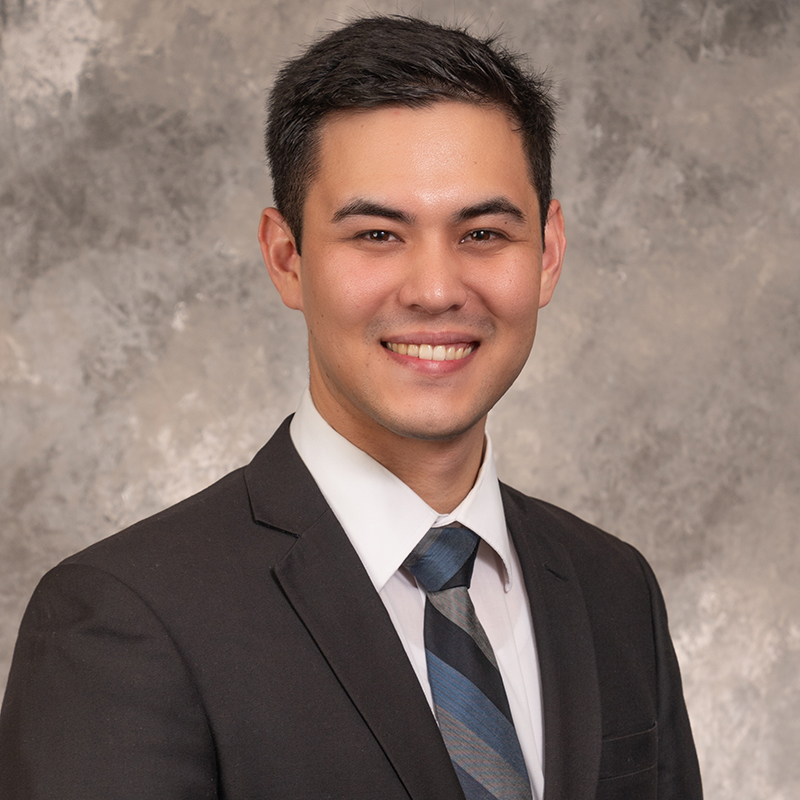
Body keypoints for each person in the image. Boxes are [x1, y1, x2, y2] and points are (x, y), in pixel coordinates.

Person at [0, 15, 702, 800]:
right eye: (377, 233)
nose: (436, 290)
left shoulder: (614, 589)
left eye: (482, 232)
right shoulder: (122, 620)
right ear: (286, 257)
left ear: (548, 254)